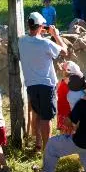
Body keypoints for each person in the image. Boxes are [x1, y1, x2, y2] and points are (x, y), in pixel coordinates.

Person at [41, 66, 86, 172]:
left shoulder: (83, 103)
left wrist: (82, 101)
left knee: (52, 145)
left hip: (81, 142)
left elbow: (68, 122)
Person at [18, 11, 67, 152]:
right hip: (46, 84)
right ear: (40, 27)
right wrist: (55, 35)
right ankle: (48, 148)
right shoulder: (45, 43)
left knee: (36, 113)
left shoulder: (21, 41)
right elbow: (64, 51)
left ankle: (38, 143)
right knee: (46, 118)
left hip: (31, 84)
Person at [56, 61, 86, 135]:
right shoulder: (71, 86)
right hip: (69, 115)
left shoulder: (63, 82)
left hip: (62, 113)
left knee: (63, 136)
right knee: (71, 135)